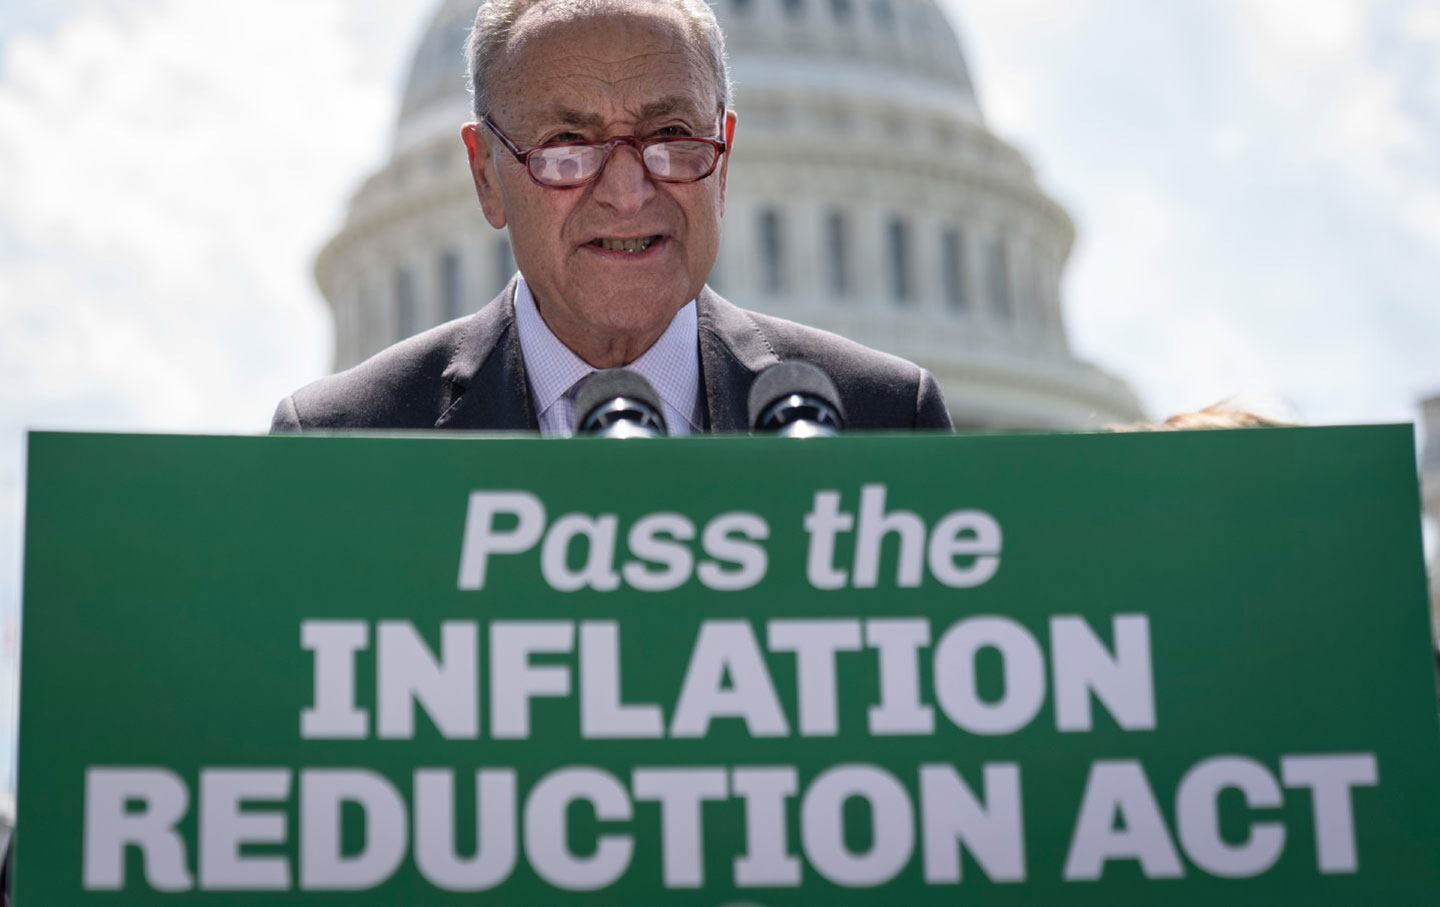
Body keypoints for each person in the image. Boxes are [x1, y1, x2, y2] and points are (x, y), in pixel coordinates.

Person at [272, 0, 951, 435]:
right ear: (487, 177)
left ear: (724, 160)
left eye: (673, 136)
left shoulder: (882, 419)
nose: (627, 192)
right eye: (567, 147)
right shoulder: (346, 438)